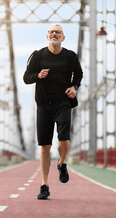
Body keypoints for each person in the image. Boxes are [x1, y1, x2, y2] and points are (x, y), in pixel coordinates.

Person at [23, 24, 83, 200]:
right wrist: (38, 76)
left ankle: (62, 163)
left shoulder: (70, 56)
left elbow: (78, 74)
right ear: (47, 36)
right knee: (45, 147)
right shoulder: (38, 55)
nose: (54, 34)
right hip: (43, 105)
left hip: (63, 103)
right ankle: (44, 185)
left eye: (58, 32)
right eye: (51, 32)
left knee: (64, 141)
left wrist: (75, 86)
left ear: (63, 38)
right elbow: (26, 78)